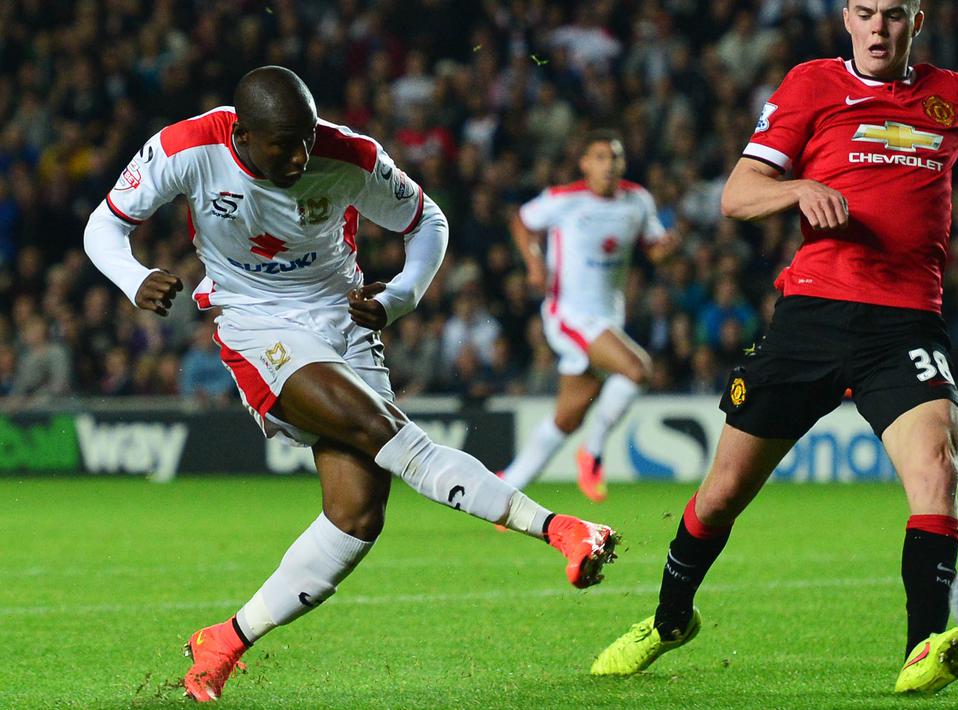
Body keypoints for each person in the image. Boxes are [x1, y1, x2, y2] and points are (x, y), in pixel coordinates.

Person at [590, 0, 958, 695]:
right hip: (809, 317)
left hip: (904, 325)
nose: (878, 28)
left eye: (893, 15)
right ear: (847, 18)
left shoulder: (950, 95)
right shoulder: (810, 85)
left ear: (917, 21)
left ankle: (920, 649)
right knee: (722, 493)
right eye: (865, 12)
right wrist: (799, 189)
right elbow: (735, 194)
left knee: (936, 468)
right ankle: (668, 620)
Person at [82, 66, 620, 703]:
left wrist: (398, 297)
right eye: (283, 143)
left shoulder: (349, 154)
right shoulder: (185, 149)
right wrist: (132, 277)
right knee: (380, 430)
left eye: (306, 138)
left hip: (343, 314)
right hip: (256, 322)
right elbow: (103, 226)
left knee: (357, 514)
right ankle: (559, 529)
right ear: (243, 136)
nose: (301, 155)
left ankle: (225, 639)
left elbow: (429, 223)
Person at [500, 130, 677, 502]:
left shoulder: (638, 201)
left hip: (608, 320)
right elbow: (522, 220)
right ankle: (592, 453)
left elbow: (653, 251)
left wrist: (668, 251)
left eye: (614, 157)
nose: (608, 165)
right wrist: (533, 262)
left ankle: (504, 490)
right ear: (584, 164)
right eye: (599, 157)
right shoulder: (564, 200)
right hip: (568, 315)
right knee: (638, 370)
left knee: (567, 417)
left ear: (623, 163)